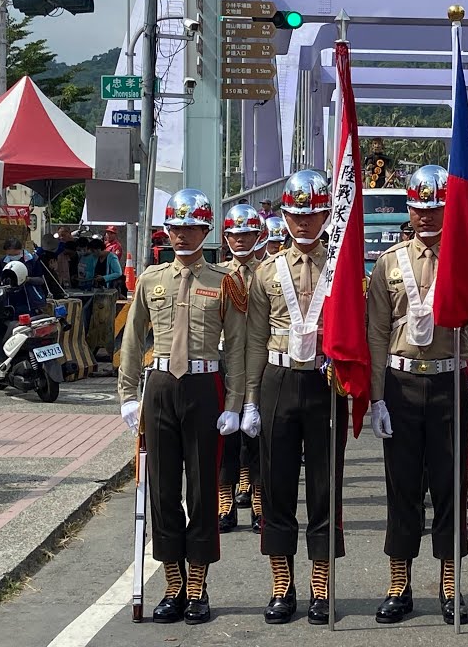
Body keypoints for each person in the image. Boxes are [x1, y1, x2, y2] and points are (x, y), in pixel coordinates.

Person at [116, 188, 250, 625]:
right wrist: (127, 394)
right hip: (159, 386)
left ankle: (198, 584)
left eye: (189, 226)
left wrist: (234, 402)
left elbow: (236, 348)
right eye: (174, 226)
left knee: (203, 489)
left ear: (206, 229)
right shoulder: (152, 279)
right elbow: (134, 340)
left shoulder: (223, 281)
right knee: (164, 490)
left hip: (203, 386)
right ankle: (172, 582)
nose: (180, 234)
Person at [366, 164, 468, 625]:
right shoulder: (388, 263)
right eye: (420, 208)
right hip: (401, 383)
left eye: (436, 207)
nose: (428, 216)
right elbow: (376, 331)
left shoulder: (467, 259)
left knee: (450, 488)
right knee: (402, 488)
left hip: (449, 380)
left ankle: (450, 584)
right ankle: (400, 581)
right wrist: (377, 397)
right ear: (409, 211)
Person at [244, 170, 345, 626]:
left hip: (325, 383)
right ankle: (281, 583)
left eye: (313, 213)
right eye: (296, 214)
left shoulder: (341, 266)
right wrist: (248, 399)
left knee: (325, 487)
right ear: (283, 216)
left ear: (326, 215)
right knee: (276, 484)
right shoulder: (266, 271)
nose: (304, 222)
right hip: (278, 380)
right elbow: (253, 339)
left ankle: (321, 584)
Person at [217, 204, 265, 534]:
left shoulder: (272, 273)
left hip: (262, 362)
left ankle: (259, 501)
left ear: (258, 236)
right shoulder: (216, 274)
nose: (240, 240)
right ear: (225, 237)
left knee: (261, 439)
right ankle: (225, 502)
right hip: (226, 361)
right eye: (234, 234)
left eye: (247, 233)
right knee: (225, 437)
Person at [0, 238, 47, 317]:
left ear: (21, 249)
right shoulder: (3, 261)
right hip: (11, 299)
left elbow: (41, 280)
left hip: (29, 300)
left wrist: (27, 279)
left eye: (15, 254)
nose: (13, 257)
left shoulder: (32, 260)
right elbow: (0, 279)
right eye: (10, 255)